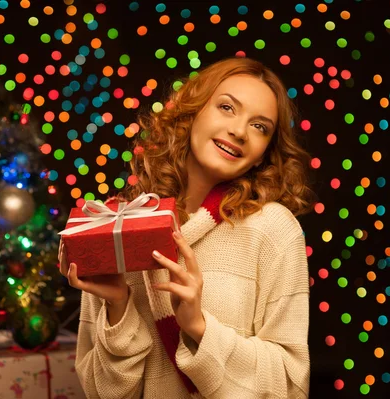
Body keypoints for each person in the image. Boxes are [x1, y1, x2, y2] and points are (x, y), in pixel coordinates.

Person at [59, 56, 317, 398]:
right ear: (191, 112)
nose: (239, 131)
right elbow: (101, 392)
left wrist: (199, 327)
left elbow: (290, 384)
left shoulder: (273, 230)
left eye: (260, 126)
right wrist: (119, 306)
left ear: (263, 154)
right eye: (227, 107)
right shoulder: (121, 228)